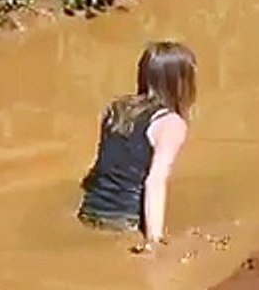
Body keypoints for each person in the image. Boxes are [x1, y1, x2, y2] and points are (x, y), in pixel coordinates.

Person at [78, 41, 197, 253]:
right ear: (181, 82)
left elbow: (105, 163)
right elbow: (155, 181)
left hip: (90, 212)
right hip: (126, 220)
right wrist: (154, 241)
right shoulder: (171, 123)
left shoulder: (118, 109)